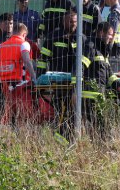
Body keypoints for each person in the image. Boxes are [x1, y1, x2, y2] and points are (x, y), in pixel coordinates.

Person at [37, 8, 89, 141]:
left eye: (75, 21)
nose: (73, 24)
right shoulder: (54, 36)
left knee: (74, 114)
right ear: (63, 20)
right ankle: (60, 140)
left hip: (75, 85)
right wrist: (40, 83)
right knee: (60, 113)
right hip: (57, 84)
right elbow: (43, 61)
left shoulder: (82, 38)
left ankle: (69, 140)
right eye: (70, 21)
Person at [0, 23, 38, 124]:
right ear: (24, 34)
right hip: (21, 83)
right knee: (24, 111)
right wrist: (34, 77)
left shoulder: (2, 45)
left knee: (10, 109)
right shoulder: (24, 43)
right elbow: (27, 60)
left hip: (5, 83)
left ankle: (8, 129)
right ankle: (20, 132)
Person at [82, 22, 120, 133]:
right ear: (101, 33)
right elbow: (80, 67)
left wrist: (118, 85)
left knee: (99, 127)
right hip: (89, 96)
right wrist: (76, 89)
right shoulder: (91, 46)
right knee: (100, 128)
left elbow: (108, 72)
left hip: (99, 94)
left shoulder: (102, 49)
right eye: (110, 34)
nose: (112, 38)